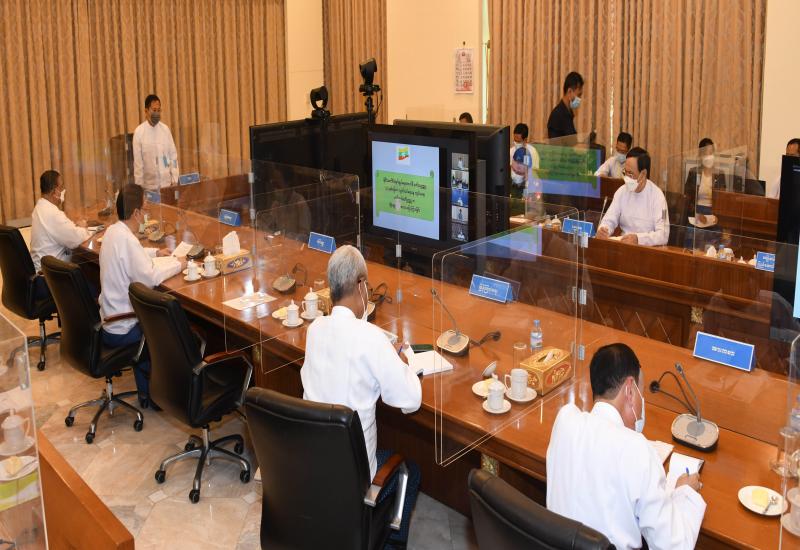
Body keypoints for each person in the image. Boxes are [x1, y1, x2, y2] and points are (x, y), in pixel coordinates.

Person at [301, 245, 422, 548]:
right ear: (360, 286)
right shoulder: (371, 338)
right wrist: (400, 364)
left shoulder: (315, 329)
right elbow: (410, 400)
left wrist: (383, 356)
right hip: (354, 479)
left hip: (313, 466)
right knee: (411, 472)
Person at [547, 343, 706, 549]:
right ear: (630, 390)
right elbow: (675, 546)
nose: (642, 404)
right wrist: (684, 493)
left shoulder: (565, 420)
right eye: (642, 394)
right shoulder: (637, 449)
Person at [99, 184, 183, 407]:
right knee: (165, 329)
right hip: (123, 328)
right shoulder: (126, 239)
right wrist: (179, 264)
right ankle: (157, 396)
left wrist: (156, 252)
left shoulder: (114, 232)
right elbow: (151, 277)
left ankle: (147, 393)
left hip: (109, 322)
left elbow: (131, 253)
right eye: (145, 209)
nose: (146, 214)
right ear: (136, 213)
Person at [597, 147, 669, 246]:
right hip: (622, 246)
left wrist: (638, 239)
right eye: (625, 172)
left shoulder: (657, 196)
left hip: (646, 249)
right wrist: (604, 230)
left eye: (630, 174)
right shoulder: (621, 191)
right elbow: (609, 219)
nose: (626, 178)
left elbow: (663, 235)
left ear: (643, 174)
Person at [30, 170, 90, 272]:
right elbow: (76, 239)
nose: (63, 191)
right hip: (50, 276)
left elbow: (63, 231)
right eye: (61, 187)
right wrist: (83, 227)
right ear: (54, 191)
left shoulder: (40, 207)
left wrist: (73, 227)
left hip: (45, 270)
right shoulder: (52, 213)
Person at [682, 138, 727, 250]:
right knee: (692, 245)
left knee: (712, 249)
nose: (709, 156)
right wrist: (697, 214)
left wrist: (716, 216)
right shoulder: (693, 172)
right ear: (700, 155)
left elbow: (723, 201)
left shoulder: (720, 174)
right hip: (696, 213)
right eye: (705, 153)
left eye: (711, 153)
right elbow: (687, 197)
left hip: (713, 215)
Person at [133, 94, 179, 190]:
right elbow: (138, 165)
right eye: (154, 110)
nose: (157, 113)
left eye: (159, 110)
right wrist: (139, 189)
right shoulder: (139, 132)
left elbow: (173, 156)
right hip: (149, 187)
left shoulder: (165, 130)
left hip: (167, 185)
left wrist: (175, 179)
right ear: (146, 111)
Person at [547, 72, 584, 139]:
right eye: (578, 95)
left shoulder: (569, 113)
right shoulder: (557, 114)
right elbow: (554, 144)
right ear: (569, 91)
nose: (579, 99)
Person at [510, 123, 541, 199]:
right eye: (515, 140)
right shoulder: (511, 151)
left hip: (528, 188)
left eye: (518, 141)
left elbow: (535, 173)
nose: (516, 143)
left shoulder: (532, 152)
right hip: (513, 187)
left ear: (525, 140)